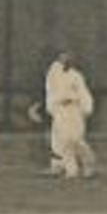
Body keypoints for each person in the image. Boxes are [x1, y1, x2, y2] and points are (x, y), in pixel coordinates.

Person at [45, 50, 98, 179]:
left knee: (75, 139)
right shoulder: (54, 74)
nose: (64, 60)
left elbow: (83, 92)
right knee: (64, 140)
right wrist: (51, 107)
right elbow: (50, 92)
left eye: (67, 58)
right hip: (60, 110)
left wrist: (87, 108)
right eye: (61, 58)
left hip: (74, 109)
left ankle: (89, 162)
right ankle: (71, 171)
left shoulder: (76, 76)